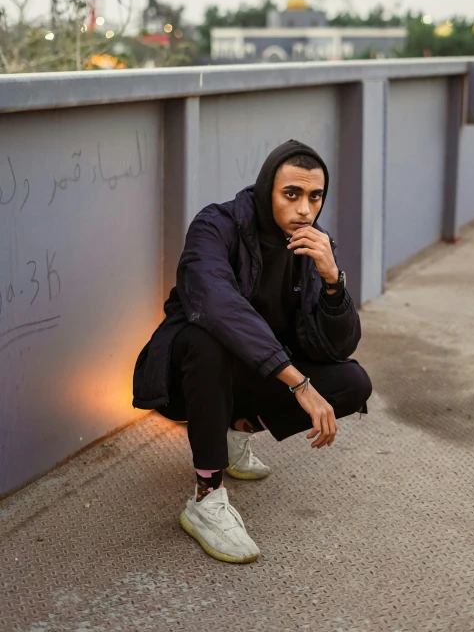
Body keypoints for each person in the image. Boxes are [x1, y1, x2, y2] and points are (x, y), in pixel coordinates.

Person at [133, 140, 372, 564]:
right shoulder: (215, 225)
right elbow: (216, 306)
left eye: (314, 197)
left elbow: (338, 346)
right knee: (206, 338)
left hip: (256, 374)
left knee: (353, 383)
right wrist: (297, 383)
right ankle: (206, 498)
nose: (304, 210)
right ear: (267, 190)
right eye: (292, 194)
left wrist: (334, 281)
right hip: (186, 378)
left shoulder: (313, 244)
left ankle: (236, 427)